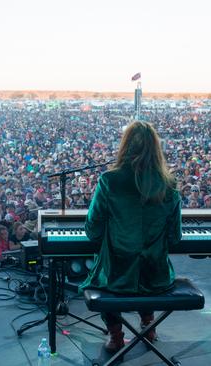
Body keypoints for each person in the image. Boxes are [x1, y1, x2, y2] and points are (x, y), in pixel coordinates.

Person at [79, 121, 181, 352]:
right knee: (145, 267)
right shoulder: (169, 183)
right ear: (156, 149)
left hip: (117, 277)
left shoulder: (110, 180)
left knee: (102, 273)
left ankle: (115, 335)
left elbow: (92, 229)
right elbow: (175, 237)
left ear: (124, 146)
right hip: (157, 277)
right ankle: (148, 325)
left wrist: (113, 234)